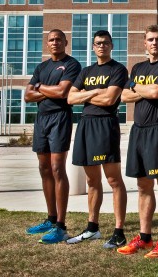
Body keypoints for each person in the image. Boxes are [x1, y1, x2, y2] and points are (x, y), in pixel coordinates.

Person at [119, 25, 158, 258]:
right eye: (150, 39)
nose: (154, 43)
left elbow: (157, 93)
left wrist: (135, 87)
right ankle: (144, 238)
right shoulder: (138, 67)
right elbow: (124, 96)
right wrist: (141, 89)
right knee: (143, 185)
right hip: (138, 130)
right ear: (144, 43)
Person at [66, 30, 128, 248]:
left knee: (113, 180)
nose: (102, 46)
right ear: (93, 47)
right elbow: (71, 98)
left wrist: (87, 93)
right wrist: (94, 92)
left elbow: (111, 98)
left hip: (105, 125)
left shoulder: (118, 69)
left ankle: (119, 231)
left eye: (106, 43)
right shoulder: (86, 71)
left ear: (112, 46)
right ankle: (92, 228)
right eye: (98, 43)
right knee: (92, 181)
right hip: (85, 125)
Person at [24, 29, 81, 244]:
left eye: (59, 39)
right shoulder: (42, 67)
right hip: (41, 119)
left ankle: (61, 225)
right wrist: (47, 89)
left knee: (58, 168)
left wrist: (39, 87)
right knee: (44, 168)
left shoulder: (72, 64)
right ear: (47, 43)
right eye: (51, 40)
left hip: (60, 118)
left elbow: (62, 93)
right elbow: (27, 96)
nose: (55, 42)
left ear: (66, 41)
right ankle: (50, 218)